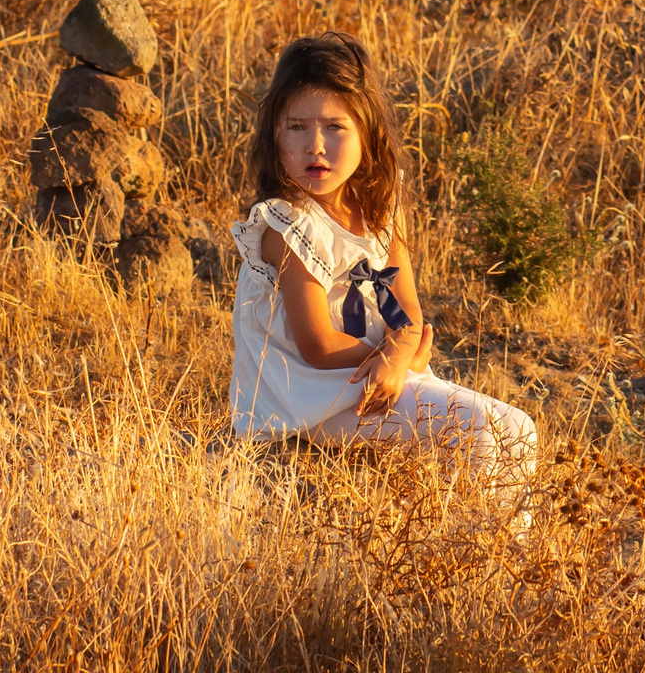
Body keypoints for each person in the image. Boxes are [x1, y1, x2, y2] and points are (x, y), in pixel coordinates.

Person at [229, 30, 537, 506]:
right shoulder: (287, 223)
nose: (315, 145)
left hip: (372, 374)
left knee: (519, 428)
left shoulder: (377, 204)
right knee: (478, 428)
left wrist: (402, 350)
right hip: (309, 398)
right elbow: (318, 345)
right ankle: (482, 556)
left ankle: (499, 561)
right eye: (296, 127)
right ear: (275, 134)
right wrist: (398, 354)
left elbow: (406, 311)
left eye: (335, 127)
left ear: (367, 132)